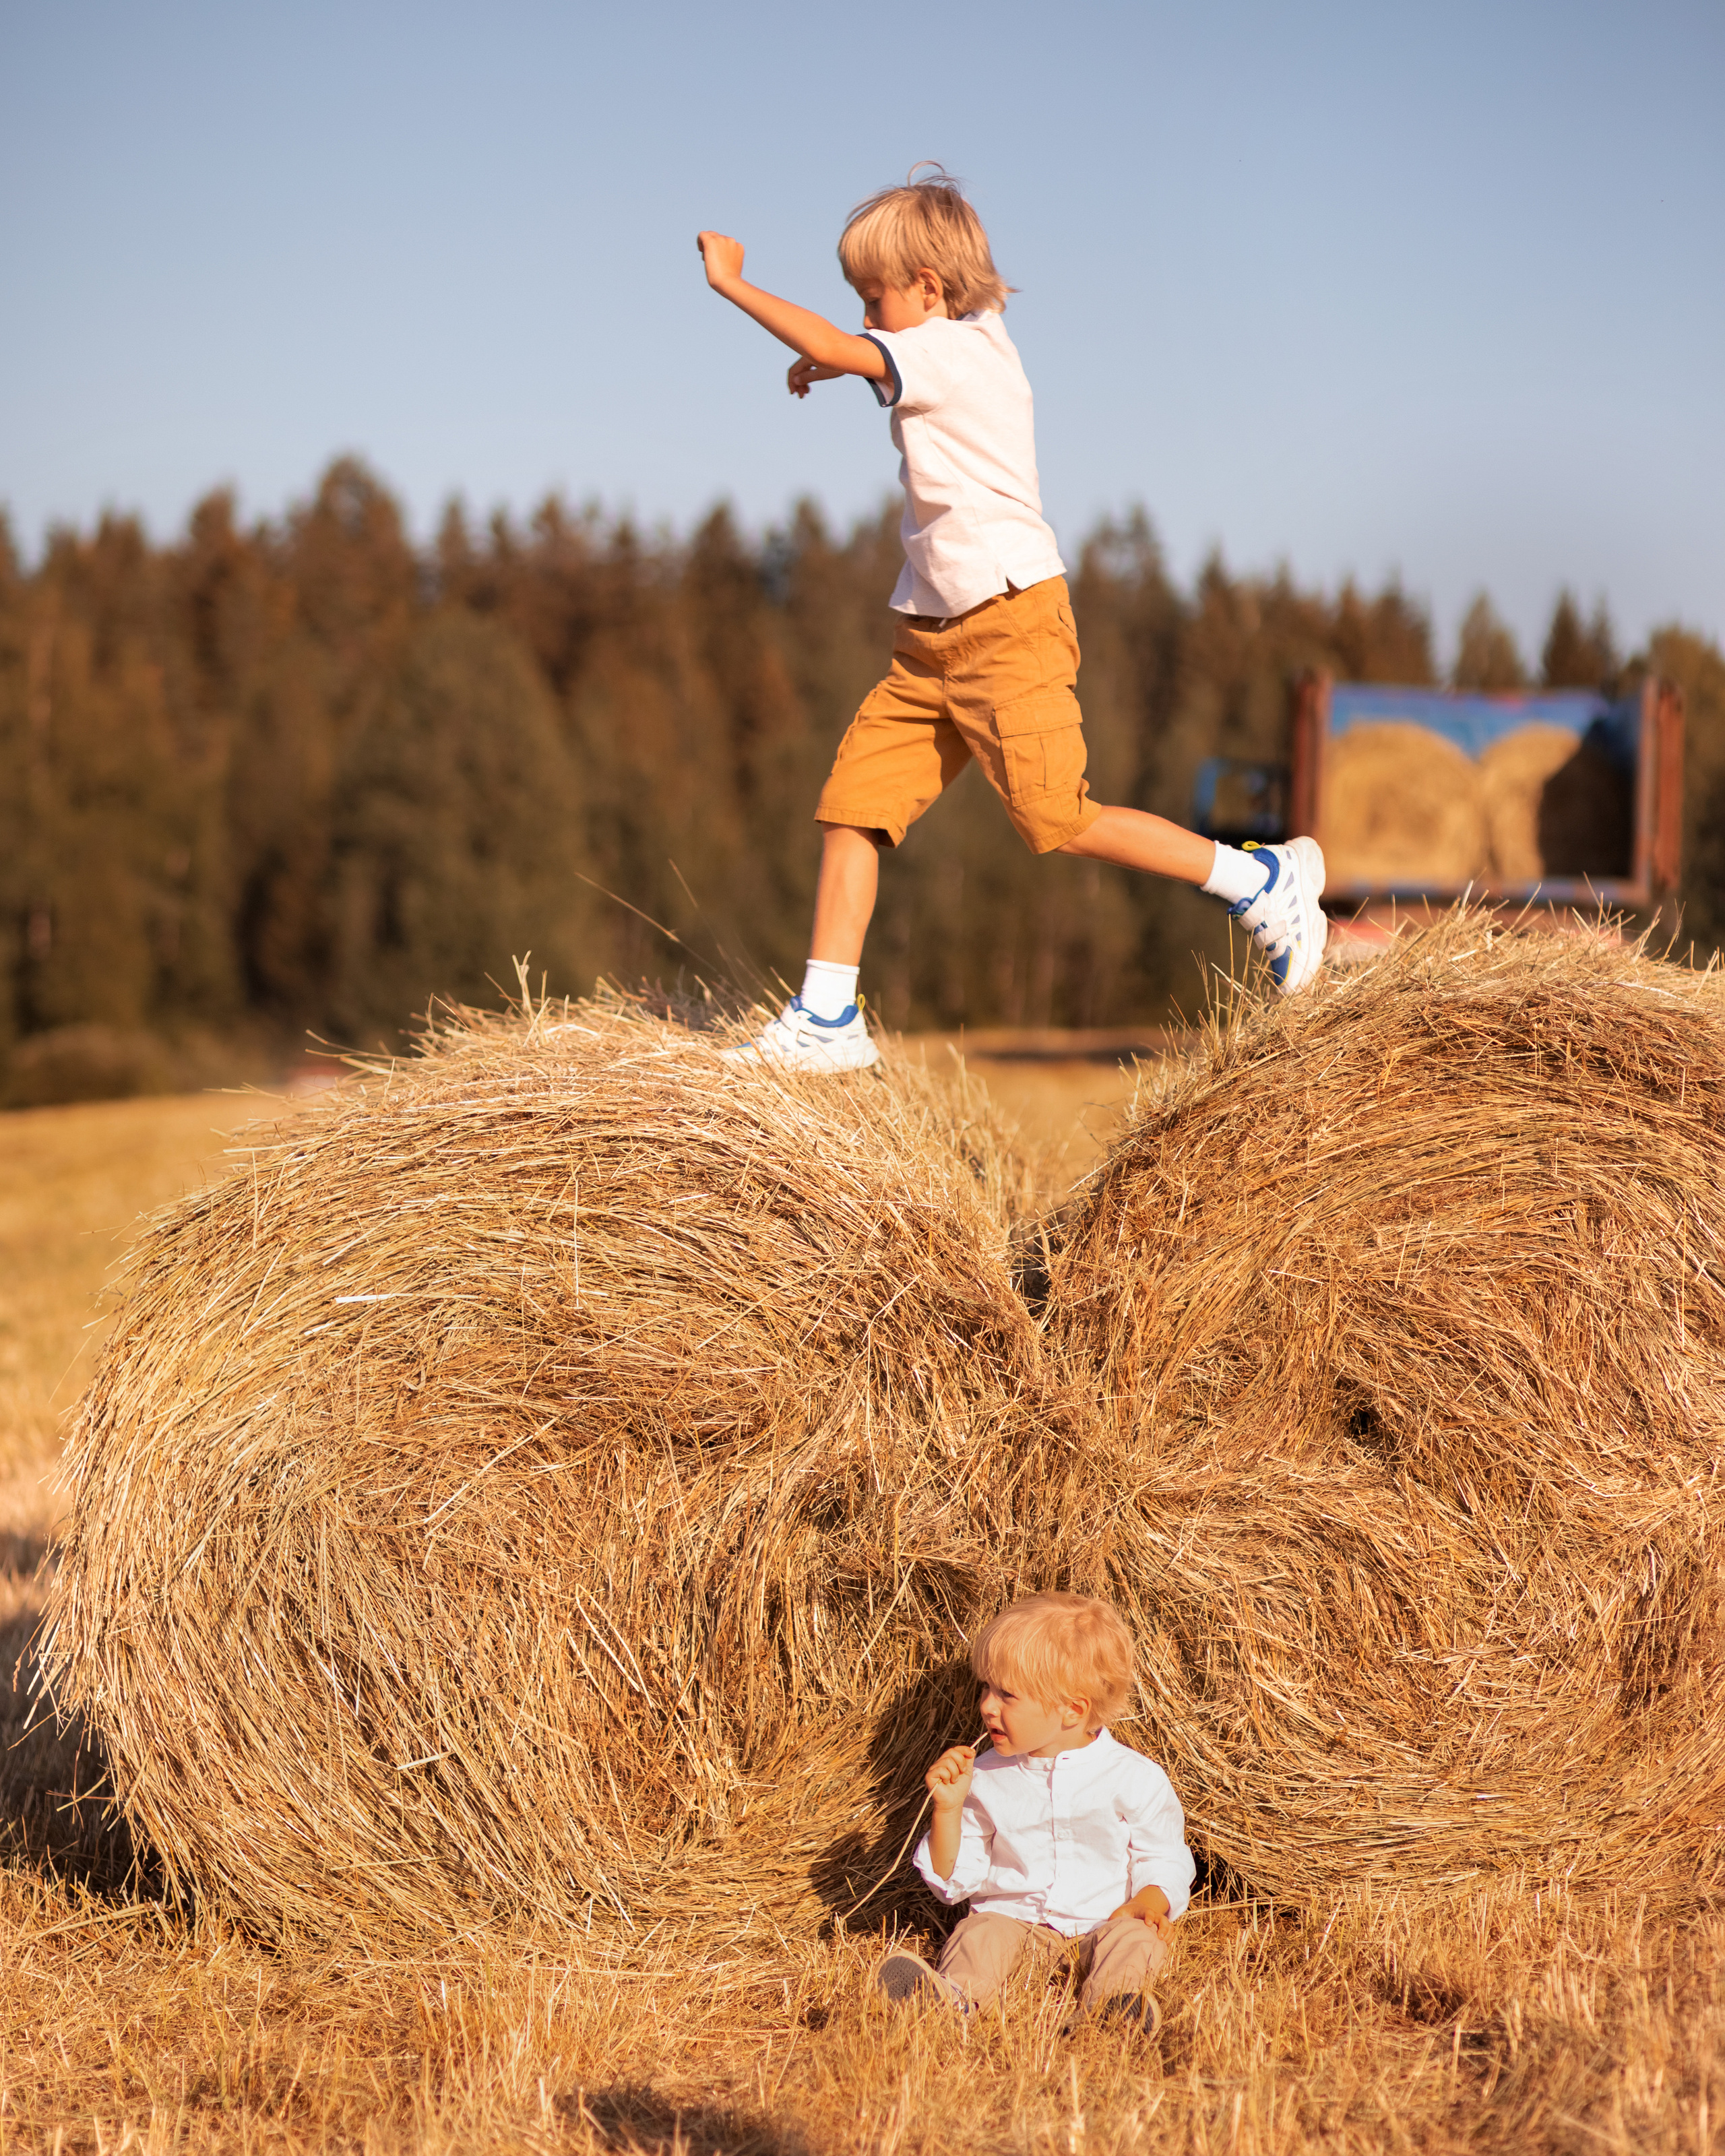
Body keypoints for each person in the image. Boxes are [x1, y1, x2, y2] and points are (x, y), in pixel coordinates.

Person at [696, 169, 1327, 1073]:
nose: (867, 319)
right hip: (928, 644)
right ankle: (827, 1014)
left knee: (1056, 817)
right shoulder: (960, 344)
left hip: (1007, 625)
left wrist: (736, 287)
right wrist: (841, 357)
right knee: (855, 810)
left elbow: (857, 350)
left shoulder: (957, 352)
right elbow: (867, 356)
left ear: (930, 290)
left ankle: (1260, 881)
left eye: (874, 299)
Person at [875, 1591, 1194, 2033]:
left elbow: (1165, 1857)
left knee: (1135, 1941)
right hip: (1017, 1925)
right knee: (980, 1932)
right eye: (986, 1688)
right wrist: (947, 1811)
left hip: (1104, 1924)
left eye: (1007, 1694)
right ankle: (953, 2001)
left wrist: (1147, 1903)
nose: (987, 1705)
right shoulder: (984, 1777)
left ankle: (1109, 2012)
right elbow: (954, 1882)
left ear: (1072, 1710)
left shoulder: (1134, 1778)